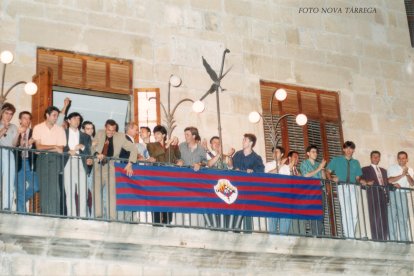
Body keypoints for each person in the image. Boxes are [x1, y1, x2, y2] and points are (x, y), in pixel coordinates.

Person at [93, 119, 138, 220]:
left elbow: (133, 149)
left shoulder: (121, 137)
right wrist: (96, 154)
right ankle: (98, 217)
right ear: (105, 127)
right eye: (109, 130)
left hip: (111, 167)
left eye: (113, 130)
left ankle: (112, 218)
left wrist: (130, 163)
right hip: (98, 166)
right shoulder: (99, 133)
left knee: (112, 194)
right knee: (96, 191)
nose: (110, 132)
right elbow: (92, 147)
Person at [326, 141, 368, 238]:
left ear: (353, 150)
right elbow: (328, 171)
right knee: (346, 212)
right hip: (342, 186)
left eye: (351, 148)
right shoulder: (337, 160)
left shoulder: (355, 162)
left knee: (354, 213)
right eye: (347, 148)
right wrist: (331, 179)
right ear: (344, 149)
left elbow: (358, 177)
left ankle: (351, 235)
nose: (349, 150)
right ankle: (349, 237)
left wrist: (362, 181)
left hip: (353, 187)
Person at [33, 106, 67, 215]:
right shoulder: (38, 128)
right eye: (54, 115)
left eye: (57, 116)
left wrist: (50, 147)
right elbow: (38, 147)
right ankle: (45, 214)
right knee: (44, 188)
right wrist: (53, 146)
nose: (56, 118)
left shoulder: (60, 129)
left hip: (54, 159)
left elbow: (61, 149)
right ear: (47, 115)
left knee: (54, 188)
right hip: (42, 159)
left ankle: (54, 215)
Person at [147, 125, 181, 224]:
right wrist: (166, 145)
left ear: (164, 135)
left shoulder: (171, 146)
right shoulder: (151, 145)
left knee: (168, 200)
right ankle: (156, 223)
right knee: (156, 200)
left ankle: (167, 222)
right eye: (154, 134)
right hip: (156, 177)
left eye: (158, 134)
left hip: (169, 177)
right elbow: (153, 154)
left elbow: (178, 156)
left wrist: (176, 144)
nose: (155, 136)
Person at [232, 133, 264, 231]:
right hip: (236, 187)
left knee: (246, 211)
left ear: (251, 143)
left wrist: (253, 172)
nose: (243, 141)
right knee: (235, 209)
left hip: (248, 189)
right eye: (243, 139)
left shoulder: (256, 158)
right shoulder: (237, 154)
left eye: (245, 140)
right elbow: (232, 168)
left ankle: (248, 232)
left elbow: (260, 172)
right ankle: (235, 231)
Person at [63, 112, 91, 217]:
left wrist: (82, 147)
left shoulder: (85, 136)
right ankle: (71, 216)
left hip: (81, 162)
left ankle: (83, 217)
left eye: (78, 119)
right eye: (74, 118)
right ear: (69, 121)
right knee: (69, 191)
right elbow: (60, 147)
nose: (77, 121)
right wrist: (68, 151)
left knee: (83, 191)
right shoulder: (63, 133)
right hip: (68, 161)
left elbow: (89, 152)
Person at [361, 150, 389, 241]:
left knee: (384, 217)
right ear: (371, 158)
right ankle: (376, 238)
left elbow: (387, 183)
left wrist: (393, 185)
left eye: (377, 156)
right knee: (375, 216)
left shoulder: (384, 171)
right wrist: (366, 183)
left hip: (384, 195)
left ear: (379, 158)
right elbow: (360, 181)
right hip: (373, 195)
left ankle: (384, 238)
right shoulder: (365, 169)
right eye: (374, 156)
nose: (376, 158)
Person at [387, 151, 414, 242]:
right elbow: (390, 180)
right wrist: (402, 174)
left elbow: (412, 183)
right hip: (393, 193)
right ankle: (392, 240)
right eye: (400, 158)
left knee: (403, 218)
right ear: (397, 159)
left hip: (403, 194)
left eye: (403, 158)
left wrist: (406, 174)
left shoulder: (410, 170)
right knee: (392, 218)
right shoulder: (392, 168)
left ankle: (404, 240)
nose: (401, 160)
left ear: (407, 159)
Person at [300, 145, 326, 236]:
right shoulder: (304, 163)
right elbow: (306, 175)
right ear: (308, 153)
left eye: (316, 152)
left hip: (319, 190)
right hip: (310, 191)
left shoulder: (318, 164)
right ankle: (314, 234)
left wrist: (322, 168)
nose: (315, 154)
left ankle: (319, 234)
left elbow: (324, 178)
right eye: (313, 152)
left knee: (320, 214)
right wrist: (319, 168)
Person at [15, 111, 39, 212]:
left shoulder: (34, 132)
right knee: (20, 190)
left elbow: (38, 148)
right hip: (18, 163)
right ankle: (22, 215)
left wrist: (30, 145)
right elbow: (13, 146)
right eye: (24, 118)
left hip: (31, 163)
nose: (27, 120)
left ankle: (20, 200)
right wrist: (24, 143)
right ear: (20, 120)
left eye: (29, 118)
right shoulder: (14, 131)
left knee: (36, 186)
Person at [265, 146, 291, 234]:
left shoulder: (287, 167)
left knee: (285, 226)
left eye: (277, 152)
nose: (274, 154)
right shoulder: (268, 165)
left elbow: (289, 182)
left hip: (284, 197)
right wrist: (279, 166)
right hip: (273, 197)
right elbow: (268, 175)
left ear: (282, 154)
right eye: (273, 152)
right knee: (272, 226)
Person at [0, 103, 19, 210]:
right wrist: (4, 129)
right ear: (2, 113)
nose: (9, 116)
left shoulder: (14, 126)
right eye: (7, 113)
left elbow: (14, 144)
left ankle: (6, 206)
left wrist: (18, 134)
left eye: (11, 114)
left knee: (9, 180)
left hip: (9, 152)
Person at [81, 120, 96, 217]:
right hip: (83, 170)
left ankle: (93, 217)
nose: (90, 131)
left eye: (91, 128)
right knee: (83, 195)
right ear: (83, 130)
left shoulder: (96, 140)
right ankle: (84, 216)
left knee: (94, 195)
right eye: (88, 129)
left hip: (93, 170)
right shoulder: (80, 140)